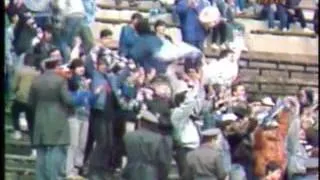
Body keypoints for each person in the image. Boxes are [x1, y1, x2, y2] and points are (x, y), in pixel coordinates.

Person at [28, 56, 74, 180]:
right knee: (56, 150)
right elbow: (68, 100)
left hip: (40, 118)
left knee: (41, 152)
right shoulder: (61, 80)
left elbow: (30, 102)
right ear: (56, 66)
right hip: (57, 119)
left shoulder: (36, 80)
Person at [122, 109, 173, 180]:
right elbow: (163, 162)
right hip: (151, 174)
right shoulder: (158, 139)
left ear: (141, 121)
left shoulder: (128, 136)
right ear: (151, 124)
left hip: (131, 173)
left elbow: (122, 156)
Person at [11, 53, 40, 141]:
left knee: (14, 111)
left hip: (21, 98)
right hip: (32, 100)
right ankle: (31, 137)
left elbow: (13, 86)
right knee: (30, 119)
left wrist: (16, 92)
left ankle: (17, 131)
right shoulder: (37, 73)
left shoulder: (19, 71)